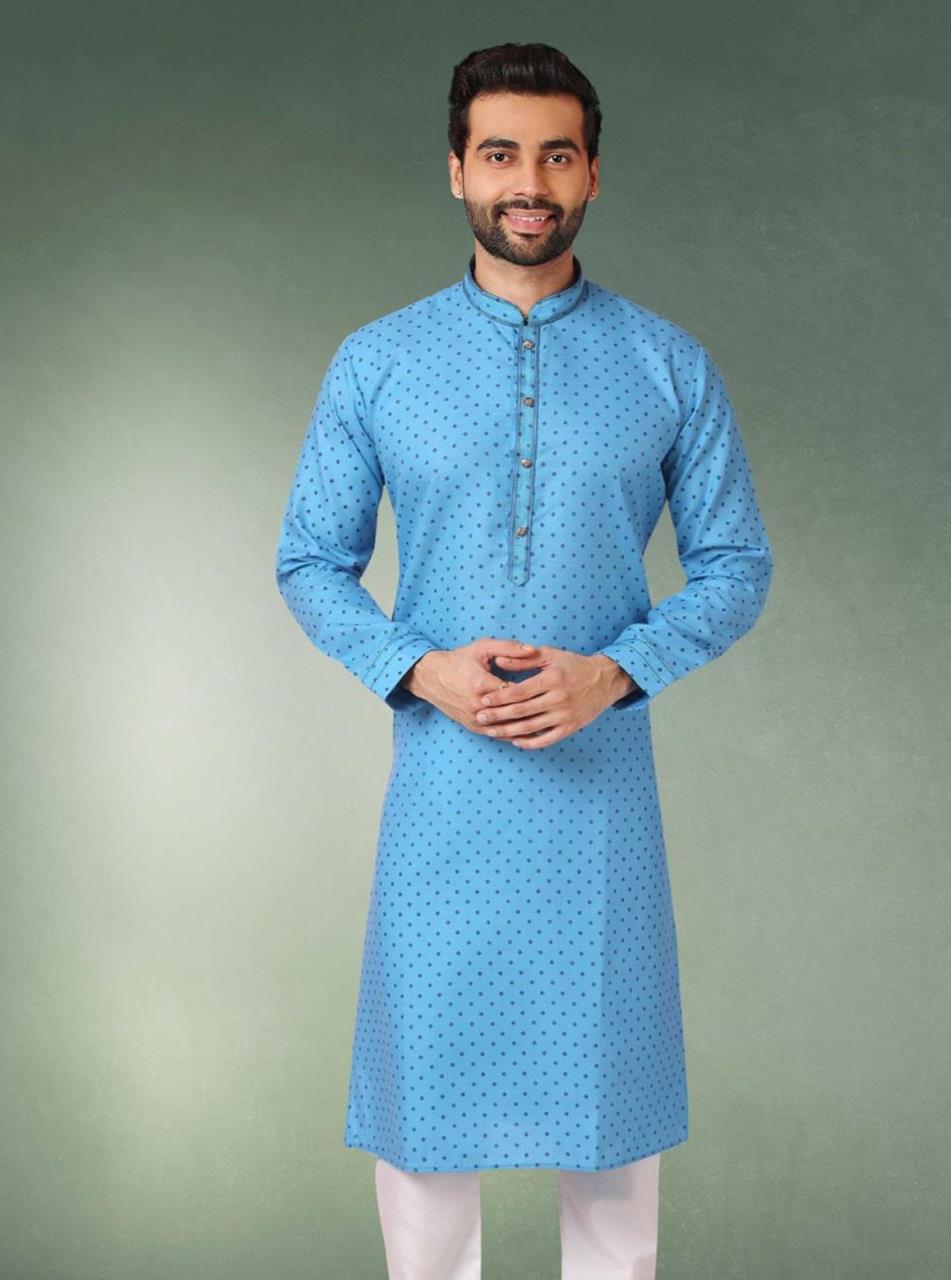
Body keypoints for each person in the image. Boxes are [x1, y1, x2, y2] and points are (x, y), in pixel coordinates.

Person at [274, 40, 773, 1280]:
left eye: (557, 155)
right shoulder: (378, 361)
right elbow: (310, 560)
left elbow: (736, 565)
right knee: (425, 1134)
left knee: (611, 1139)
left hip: (600, 804)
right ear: (457, 170)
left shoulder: (667, 362)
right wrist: (419, 667)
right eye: (501, 154)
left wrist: (616, 670)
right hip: (442, 797)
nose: (529, 183)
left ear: (593, 173)